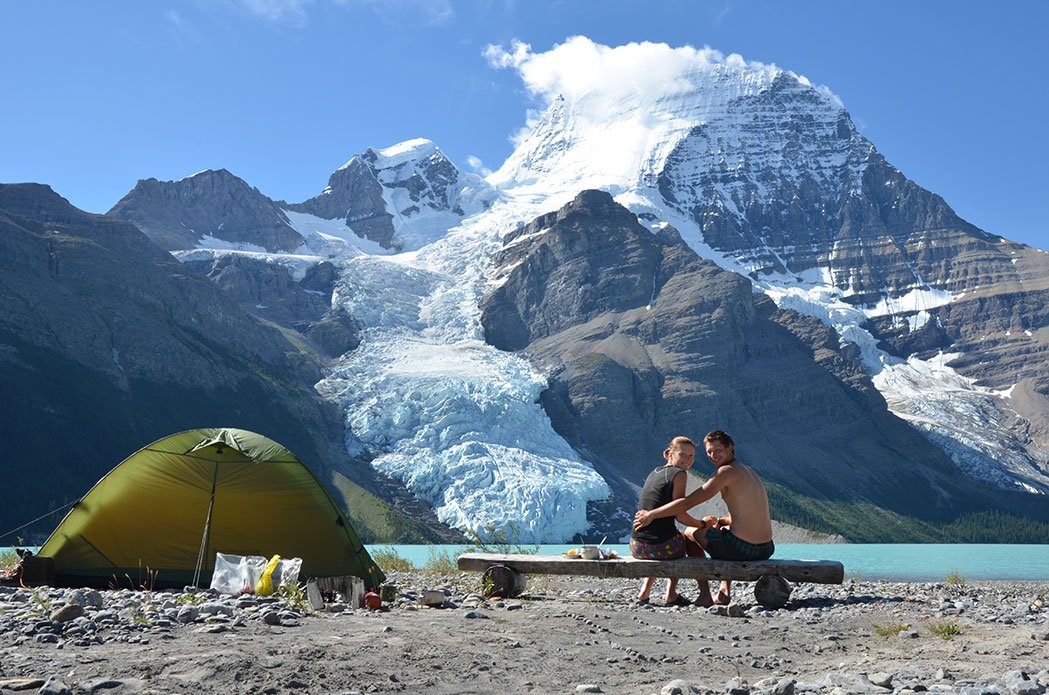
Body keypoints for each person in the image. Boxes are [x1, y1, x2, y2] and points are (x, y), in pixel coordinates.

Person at [633, 430, 774, 606]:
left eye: (718, 450)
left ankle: (705, 595)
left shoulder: (725, 472)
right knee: (722, 530)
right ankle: (724, 591)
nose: (713, 455)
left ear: (730, 448)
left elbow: (686, 503)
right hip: (767, 548)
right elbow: (748, 513)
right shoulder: (748, 471)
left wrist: (651, 514)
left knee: (691, 532)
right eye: (709, 451)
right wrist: (722, 521)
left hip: (744, 549)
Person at [630, 436, 711, 606]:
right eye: (683, 454)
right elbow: (680, 514)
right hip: (658, 549)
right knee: (687, 539)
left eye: (691, 456)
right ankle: (673, 594)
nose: (688, 460)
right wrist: (702, 524)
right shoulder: (679, 474)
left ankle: (644, 593)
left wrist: (652, 515)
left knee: (666, 536)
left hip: (637, 546)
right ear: (670, 454)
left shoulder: (655, 472)